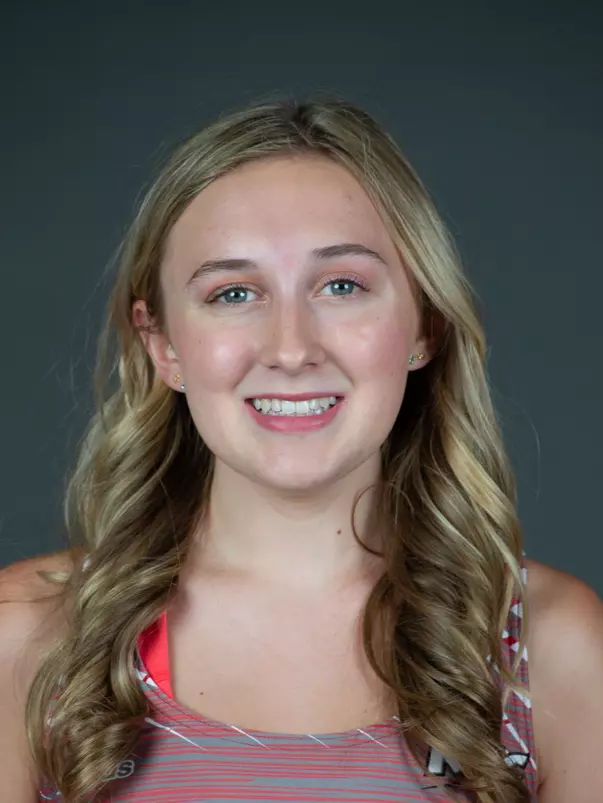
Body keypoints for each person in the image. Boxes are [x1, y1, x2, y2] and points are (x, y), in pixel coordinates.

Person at [1, 97, 602, 803]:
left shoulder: (553, 649)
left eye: (341, 285)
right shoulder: (27, 639)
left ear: (424, 326)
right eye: (232, 292)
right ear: (162, 345)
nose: (290, 348)